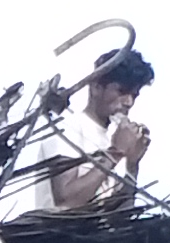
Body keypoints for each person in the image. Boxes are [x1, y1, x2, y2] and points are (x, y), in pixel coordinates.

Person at [43, 47, 158, 206]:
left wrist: (132, 165)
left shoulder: (113, 139)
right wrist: (115, 154)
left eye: (134, 95)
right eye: (121, 91)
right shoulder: (68, 126)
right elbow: (65, 201)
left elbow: (121, 217)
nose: (128, 102)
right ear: (96, 87)